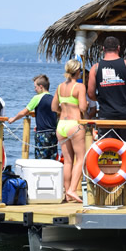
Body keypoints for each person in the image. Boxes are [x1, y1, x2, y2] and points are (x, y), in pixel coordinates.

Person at [87, 36, 126, 148]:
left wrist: (100, 99)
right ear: (118, 48)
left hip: (106, 115)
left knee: (107, 149)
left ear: (103, 49)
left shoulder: (95, 68)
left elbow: (90, 93)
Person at [51, 59, 88, 203]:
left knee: (68, 161)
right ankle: (73, 189)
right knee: (80, 159)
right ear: (77, 71)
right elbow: (83, 107)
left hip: (61, 125)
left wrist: (63, 110)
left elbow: (54, 107)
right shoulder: (79, 86)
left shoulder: (60, 87)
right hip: (74, 124)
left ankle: (67, 193)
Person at [7, 74, 58, 159]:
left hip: (42, 133)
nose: (35, 89)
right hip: (53, 132)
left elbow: (24, 112)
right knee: (52, 159)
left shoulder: (37, 98)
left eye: (35, 87)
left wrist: (13, 119)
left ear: (41, 87)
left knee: (40, 159)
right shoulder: (53, 98)